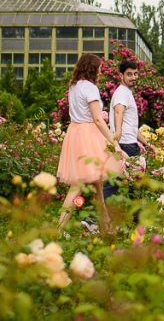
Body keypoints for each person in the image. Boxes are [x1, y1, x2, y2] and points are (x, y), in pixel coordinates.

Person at [56, 53, 126, 233]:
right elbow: (97, 119)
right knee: (77, 186)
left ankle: (105, 227)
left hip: (75, 133)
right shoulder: (90, 88)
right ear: (93, 69)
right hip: (88, 136)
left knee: (97, 186)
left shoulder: (74, 86)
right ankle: (58, 229)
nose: (101, 71)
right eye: (100, 68)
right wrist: (114, 143)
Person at [103, 60, 146, 199]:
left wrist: (148, 144)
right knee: (135, 185)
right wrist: (118, 132)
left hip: (127, 143)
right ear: (121, 75)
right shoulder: (122, 93)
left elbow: (132, 127)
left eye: (135, 74)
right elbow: (118, 112)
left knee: (113, 184)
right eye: (129, 74)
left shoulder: (126, 92)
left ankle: (95, 212)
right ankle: (138, 216)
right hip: (126, 145)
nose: (133, 77)